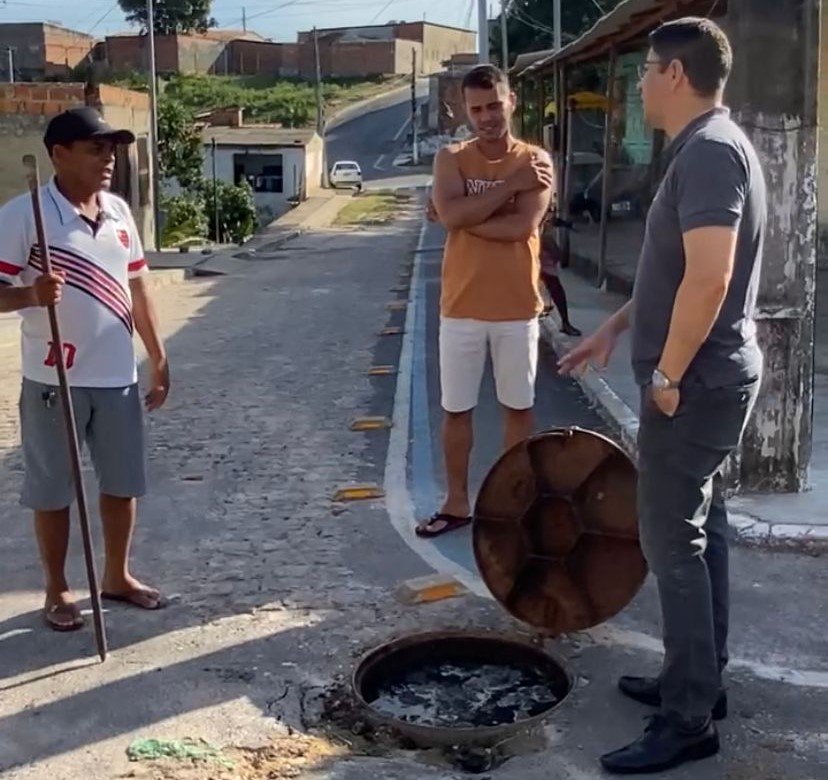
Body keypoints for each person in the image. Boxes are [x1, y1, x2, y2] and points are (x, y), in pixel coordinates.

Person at [559, 18, 765, 774]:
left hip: (698, 381)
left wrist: (668, 374)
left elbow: (709, 279)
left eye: (645, 70)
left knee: (673, 543)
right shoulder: (706, 147)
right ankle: (697, 685)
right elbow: (672, 272)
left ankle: (689, 720)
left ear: (675, 74)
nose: (639, 84)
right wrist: (614, 329)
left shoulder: (709, 152)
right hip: (704, 375)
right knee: (699, 533)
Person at [0, 106, 170, 631]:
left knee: (122, 484)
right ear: (59, 153)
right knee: (54, 488)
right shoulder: (24, 214)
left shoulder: (118, 213)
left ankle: (116, 576)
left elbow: (137, 287)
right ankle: (57, 589)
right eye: (96, 148)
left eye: (112, 149)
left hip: (118, 377)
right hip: (55, 381)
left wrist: (158, 355)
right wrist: (30, 293)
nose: (108, 159)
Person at [415, 64, 554, 538]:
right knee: (457, 410)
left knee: (517, 409)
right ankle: (457, 502)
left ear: (511, 101)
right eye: (477, 109)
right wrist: (507, 189)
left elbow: (521, 228)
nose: (488, 117)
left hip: (517, 308)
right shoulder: (450, 158)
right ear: (465, 111)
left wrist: (458, 215)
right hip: (461, 308)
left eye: (494, 105)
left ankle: (513, 503)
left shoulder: (536, 160)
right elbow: (456, 215)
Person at [539, 206, 581, 336]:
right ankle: (565, 323)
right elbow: (545, 238)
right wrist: (556, 252)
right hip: (534, 254)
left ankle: (565, 323)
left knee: (554, 288)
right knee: (555, 288)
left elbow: (552, 221)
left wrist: (566, 224)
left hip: (539, 256)